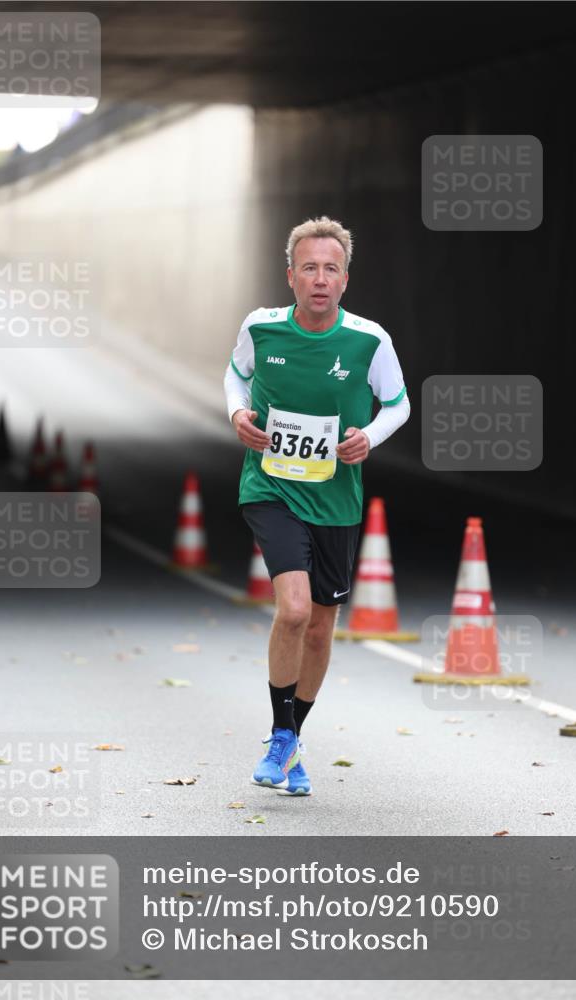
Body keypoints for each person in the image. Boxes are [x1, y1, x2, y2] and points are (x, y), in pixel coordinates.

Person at [223, 216, 410, 796]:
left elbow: (398, 405)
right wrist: (238, 414)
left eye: (331, 269)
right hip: (271, 486)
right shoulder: (262, 329)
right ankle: (282, 737)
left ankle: (291, 743)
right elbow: (234, 375)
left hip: (335, 499)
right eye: (310, 268)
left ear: (345, 280)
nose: (320, 279)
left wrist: (369, 438)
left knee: (323, 630)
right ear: (291, 276)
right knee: (296, 610)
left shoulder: (369, 341)